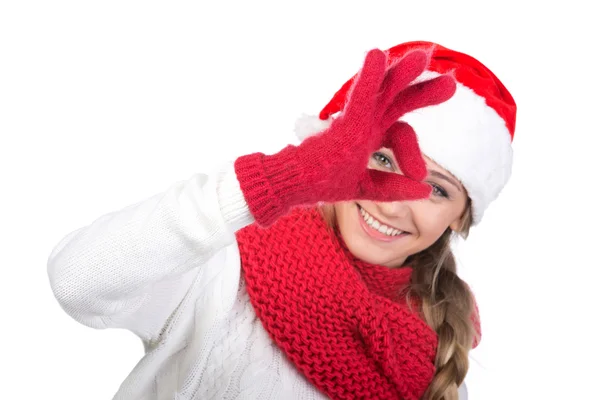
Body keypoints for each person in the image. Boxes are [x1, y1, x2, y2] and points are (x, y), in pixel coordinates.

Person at [47, 40, 516, 400]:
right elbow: (77, 280)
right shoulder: (225, 261)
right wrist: (277, 180)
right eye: (383, 158)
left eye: (437, 189)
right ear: (333, 149)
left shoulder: (436, 349)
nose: (394, 205)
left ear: (461, 218)